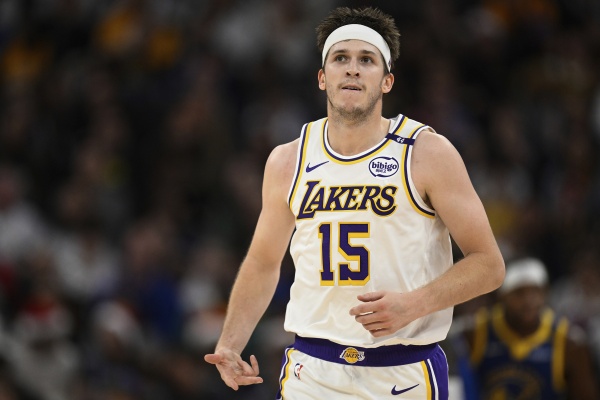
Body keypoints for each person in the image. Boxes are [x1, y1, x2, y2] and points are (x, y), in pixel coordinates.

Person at [204, 6, 505, 399]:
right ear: (322, 77)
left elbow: (489, 264)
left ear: (387, 81)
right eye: (340, 58)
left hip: (403, 370)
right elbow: (263, 262)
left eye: (366, 60)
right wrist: (230, 343)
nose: (352, 69)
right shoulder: (287, 160)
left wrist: (414, 305)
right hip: (312, 371)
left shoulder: (427, 153)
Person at [458, 257, 598, 399]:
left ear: (545, 293)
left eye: (536, 291)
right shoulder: (476, 331)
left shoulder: (568, 340)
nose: (528, 300)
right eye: (519, 293)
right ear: (503, 296)